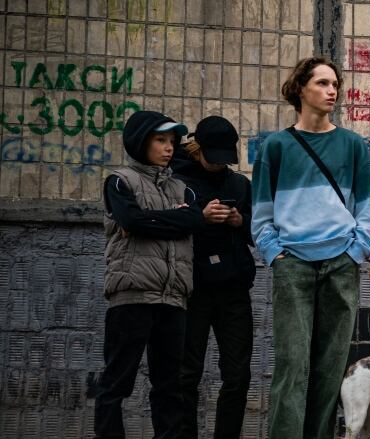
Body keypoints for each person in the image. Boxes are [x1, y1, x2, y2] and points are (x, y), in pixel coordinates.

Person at [250, 57, 370, 439]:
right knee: (292, 364)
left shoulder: (354, 145)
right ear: (300, 89)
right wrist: (275, 253)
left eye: (335, 84)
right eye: (323, 83)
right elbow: (261, 214)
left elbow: (368, 211)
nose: (332, 91)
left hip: (341, 263)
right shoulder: (275, 147)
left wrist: (356, 252)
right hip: (293, 266)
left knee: (331, 367)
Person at [95, 111, 205, 438]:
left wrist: (152, 222)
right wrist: (173, 221)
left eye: (172, 141)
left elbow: (195, 222)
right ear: (141, 142)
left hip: (173, 298)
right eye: (161, 140)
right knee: (117, 382)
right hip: (132, 295)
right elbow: (131, 221)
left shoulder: (182, 189)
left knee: (170, 386)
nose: (169, 148)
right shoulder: (120, 181)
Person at [172, 116, 256, 439]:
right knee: (186, 374)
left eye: (225, 159)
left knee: (237, 375)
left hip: (234, 290)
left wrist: (239, 221)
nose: (220, 165)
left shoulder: (238, 185)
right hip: (193, 289)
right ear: (199, 150)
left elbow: (258, 232)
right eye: (214, 158)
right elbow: (167, 227)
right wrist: (200, 217)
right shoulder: (177, 181)